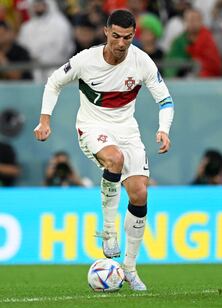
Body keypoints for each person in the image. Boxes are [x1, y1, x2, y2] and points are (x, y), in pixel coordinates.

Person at [33, 9, 174, 291]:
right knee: (115, 159)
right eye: (117, 37)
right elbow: (54, 82)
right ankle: (109, 231)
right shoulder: (86, 60)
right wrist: (44, 120)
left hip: (127, 130)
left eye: (128, 38)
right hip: (92, 125)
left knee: (140, 192)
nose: (122, 44)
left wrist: (163, 130)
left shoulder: (141, 61)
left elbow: (166, 100)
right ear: (106, 33)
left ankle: (130, 270)